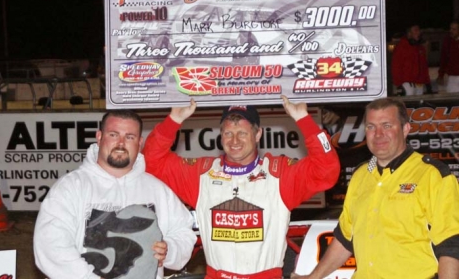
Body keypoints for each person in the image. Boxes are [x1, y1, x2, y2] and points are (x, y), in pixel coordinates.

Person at [142, 95, 340, 279]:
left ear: (258, 134)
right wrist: (173, 119)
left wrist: (303, 119)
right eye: (228, 133)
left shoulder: (279, 174)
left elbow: (328, 170)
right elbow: (151, 161)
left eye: (242, 133)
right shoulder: (201, 174)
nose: (234, 140)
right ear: (220, 136)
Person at [291, 97, 459, 279]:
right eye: (371, 127)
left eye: (387, 126)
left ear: (405, 129)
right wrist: (313, 277)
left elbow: (450, 244)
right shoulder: (360, 176)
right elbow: (345, 239)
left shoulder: (432, 175)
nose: (378, 134)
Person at [34, 110, 196, 279]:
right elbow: (50, 246)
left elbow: (183, 232)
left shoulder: (157, 189)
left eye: (130, 137)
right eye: (113, 134)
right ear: (99, 137)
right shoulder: (71, 187)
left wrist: (169, 250)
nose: (121, 143)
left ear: (139, 143)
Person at [391, 24, 431, 96]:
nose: (418, 32)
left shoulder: (420, 47)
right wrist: (398, 84)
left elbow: (424, 66)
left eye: (419, 30)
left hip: (419, 83)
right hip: (407, 83)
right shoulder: (401, 47)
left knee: (419, 105)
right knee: (408, 105)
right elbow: (396, 66)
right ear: (409, 33)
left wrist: (427, 82)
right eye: (415, 30)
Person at [437, 20, 459, 93]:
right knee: (452, 101)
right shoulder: (447, 42)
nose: (451, 31)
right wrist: (441, 75)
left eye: (454, 29)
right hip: (452, 77)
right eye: (450, 29)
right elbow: (443, 59)